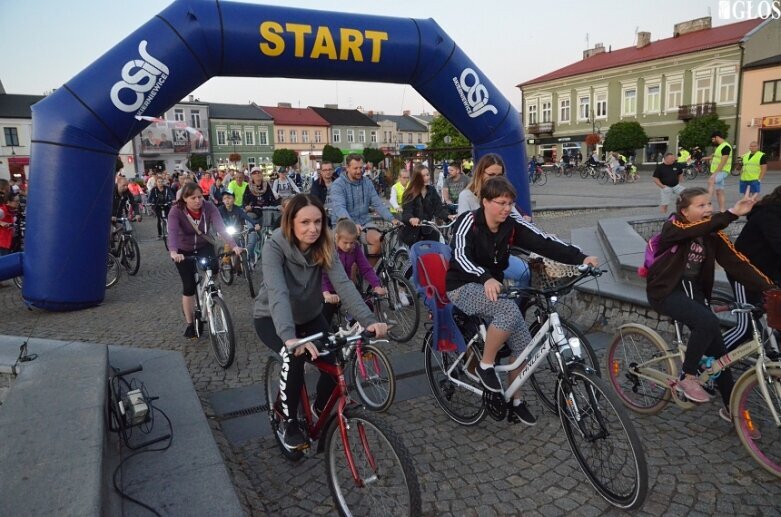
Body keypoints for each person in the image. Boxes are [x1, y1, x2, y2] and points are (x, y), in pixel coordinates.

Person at [446, 176, 597, 424]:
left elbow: (543, 240)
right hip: (463, 286)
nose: (507, 208)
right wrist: (484, 278)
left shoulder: (511, 224)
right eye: (501, 203)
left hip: (491, 287)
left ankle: (516, 401)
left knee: (524, 346)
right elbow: (460, 256)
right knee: (507, 310)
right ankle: (485, 365)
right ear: (485, 201)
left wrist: (580, 257)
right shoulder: (468, 222)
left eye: (510, 203)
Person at [253, 194, 388, 449]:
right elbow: (278, 293)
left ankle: (320, 406)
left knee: (335, 357)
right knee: (292, 357)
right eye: (304, 222)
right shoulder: (275, 246)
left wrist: (368, 320)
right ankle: (288, 419)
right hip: (272, 318)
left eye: (318, 221)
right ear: (290, 222)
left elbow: (343, 284)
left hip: (310, 315)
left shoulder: (325, 243)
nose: (313, 228)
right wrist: (290, 338)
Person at [645, 187, 773, 419]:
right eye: (701, 205)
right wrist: (731, 213)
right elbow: (698, 228)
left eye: (710, 205)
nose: (708, 209)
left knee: (720, 358)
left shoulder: (713, 235)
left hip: (694, 294)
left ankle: (734, 412)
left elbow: (738, 263)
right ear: (684, 211)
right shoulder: (675, 227)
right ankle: (688, 376)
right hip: (665, 292)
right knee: (707, 320)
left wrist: (771, 288)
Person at [168, 183, 242, 338]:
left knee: (213, 269)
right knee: (188, 286)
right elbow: (173, 232)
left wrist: (234, 246)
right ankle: (190, 324)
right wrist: (174, 252)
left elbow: (221, 229)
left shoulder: (209, 207)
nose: (197, 201)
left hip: (204, 245)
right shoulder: (176, 211)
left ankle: (208, 292)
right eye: (193, 198)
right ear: (184, 198)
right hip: (183, 250)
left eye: (200, 197)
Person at [458, 153, 532, 287]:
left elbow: (517, 219)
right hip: (477, 256)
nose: (495, 179)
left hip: (499, 251)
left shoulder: (502, 193)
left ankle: (516, 306)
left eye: (499, 175)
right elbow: (464, 229)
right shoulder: (467, 196)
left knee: (526, 272)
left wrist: (537, 232)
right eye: (491, 175)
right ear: (480, 173)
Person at [723, 185, 781, 353]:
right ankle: (702, 363)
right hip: (744, 273)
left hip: (767, 274)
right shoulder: (769, 215)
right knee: (745, 328)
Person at [328, 154, 400, 259]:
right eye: (355, 168)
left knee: (379, 240)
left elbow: (377, 203)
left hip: (364, 223)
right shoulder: (338, 185)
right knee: (349, 252)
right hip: (343, 224)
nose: (359, 171)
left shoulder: (367, 182)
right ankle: (352, 272)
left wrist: (392, 219)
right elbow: (339, 208)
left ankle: (367, 272)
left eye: (361, 168)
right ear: (347, 168)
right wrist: (352, 224)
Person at [321, 219, 387, 325]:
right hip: (327, 288)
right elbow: (321, 274)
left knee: (365, 307)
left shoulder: (355, 248)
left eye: (351, 242)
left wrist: (376, 285)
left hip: (345, 287)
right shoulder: (329, 248)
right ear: (337, 237)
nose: (348, 246)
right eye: (345, 242)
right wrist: (326, 293)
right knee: (325, 321)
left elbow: (366, 268)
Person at [399, 164, 453, 246]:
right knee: (417, 255)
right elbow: (406, 212)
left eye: (427, 175)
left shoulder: (432, 190)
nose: (427, 177)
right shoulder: (409, 193)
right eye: (423, 176)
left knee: (437, 249)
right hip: (413, 233)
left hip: (428, 229)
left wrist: (449, 216)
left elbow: (438, 208)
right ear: (417, 178)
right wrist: (412, 219)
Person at [704, 131, 733, 212]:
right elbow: (716, 157)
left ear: (717, 137)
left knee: (711, 181)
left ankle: (707, 205)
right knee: (719, 191)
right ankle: (722, 210)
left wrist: (715, 174)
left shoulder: (726, 147)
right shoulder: (720, 147)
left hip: (722, 171)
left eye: (713, 139)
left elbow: (723, 161)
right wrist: (706, 158)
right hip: (718, 171)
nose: (712, 141)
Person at [0, 192, 20, 257]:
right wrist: (1, 223)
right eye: (16, 201)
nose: (18, 203)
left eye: (18, 201)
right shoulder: (2, 211)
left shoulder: (12, 210)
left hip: (9, 242)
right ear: (8, 202)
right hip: (2, 243)